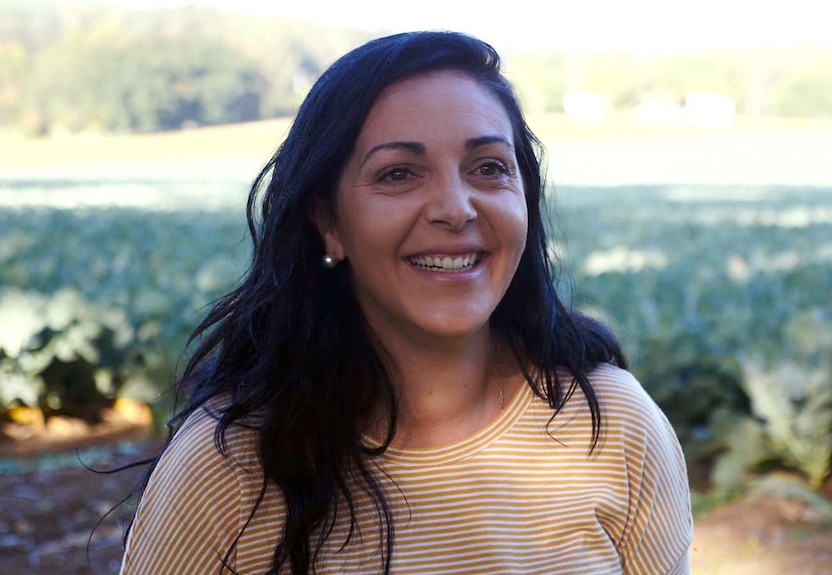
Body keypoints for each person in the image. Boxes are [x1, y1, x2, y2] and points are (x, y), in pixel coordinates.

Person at [119, 30, 692, 574]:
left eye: (489, 168)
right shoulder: (231, 466)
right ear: (328, 223)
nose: (456, 208)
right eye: (398, 174)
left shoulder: (614, 423)